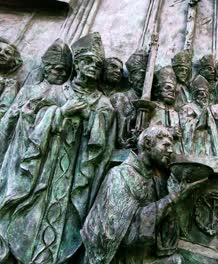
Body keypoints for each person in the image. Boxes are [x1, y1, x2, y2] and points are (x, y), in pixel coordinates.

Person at [0, 32, 115, 264]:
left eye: (98, 64)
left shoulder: (103, 103)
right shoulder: (53, 91)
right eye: (88, 61)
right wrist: (59, 113)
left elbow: (101, 146)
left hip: (74, 177)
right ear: (78, 64)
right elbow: (25, 123)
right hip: (42, 173)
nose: (93, 67)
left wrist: (89, 118)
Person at [81, 125, 207, 263]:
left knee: (177, 260)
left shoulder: (156, 180)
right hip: (118, 259)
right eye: (166, 145)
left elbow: (166, 239)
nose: (170, 151)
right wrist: (173, 198)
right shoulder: (119, 175)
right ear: (147, 144)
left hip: (140, 256)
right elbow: (125, 234)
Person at [180, 75, 218, 156]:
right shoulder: (187, 108)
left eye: (206, 94)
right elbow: (186, 129)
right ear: (194, 95)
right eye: (201, 93)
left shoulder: (208, 109)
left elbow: (214, 132)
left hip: (207, 144)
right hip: (194, 145)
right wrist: (202, 117)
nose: (204, 96)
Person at [102, 57, 137, 148]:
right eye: (113, 67)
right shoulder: (95, 91)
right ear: (103, 69)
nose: (118, 71)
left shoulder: (123, 97)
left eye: (121, 70)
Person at [149, 66, 184, 154]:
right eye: (167, 88)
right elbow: (148, 132)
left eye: (173, 91)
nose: (171, 92)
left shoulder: (175, 113)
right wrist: (169, 131)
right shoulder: (152, 107)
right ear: (158, 90)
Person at [0, 37, 22, 119]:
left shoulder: (10, 84)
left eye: (7, 53)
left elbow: (3, 110)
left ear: (13, 62)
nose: (1, 53)